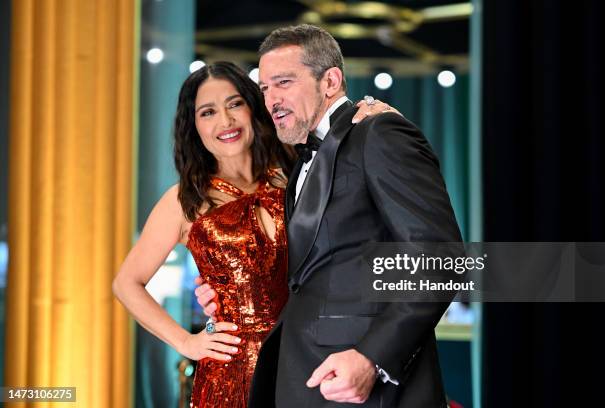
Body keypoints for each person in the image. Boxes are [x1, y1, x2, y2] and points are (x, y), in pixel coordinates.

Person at [196, 24, 463, 407]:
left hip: (366, 389)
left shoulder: (378, 133)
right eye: (265, 88)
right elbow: (310, 271)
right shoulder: (300, 160)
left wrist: (372, 357)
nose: (271, 99)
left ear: (331, 81)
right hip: (299, 378)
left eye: (284, 82)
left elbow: (439, 258)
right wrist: (229, 286)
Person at [112, 61, 399, 408]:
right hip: (230, 373)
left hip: (310, 354)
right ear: (194, 127)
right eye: (208, 112)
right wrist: (186, 342)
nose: (226, 121)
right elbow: (126, 283)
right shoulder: (183, 200)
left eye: (235, 104)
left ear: (253, 108)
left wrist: (374, 110)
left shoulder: (296, 172)